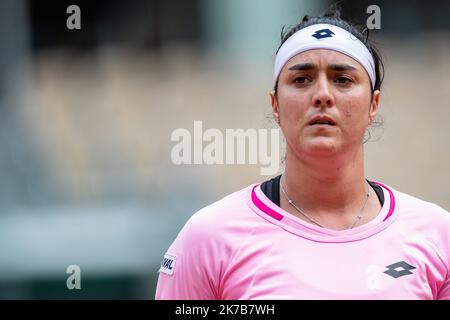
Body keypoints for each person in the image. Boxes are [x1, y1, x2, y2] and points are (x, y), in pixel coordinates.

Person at [155, 8, 450, 300]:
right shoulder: (209, 239)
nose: (322, 94)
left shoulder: (438, 235)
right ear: (275, 104)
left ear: (373, 104)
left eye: (343, 80)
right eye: (301, 80)